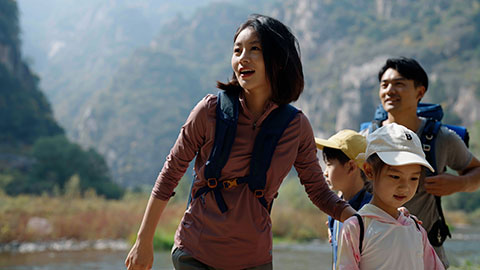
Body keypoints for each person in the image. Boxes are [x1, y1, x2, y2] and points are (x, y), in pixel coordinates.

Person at [125, 14, 356, 270]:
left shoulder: (296, 126)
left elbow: (318, 190)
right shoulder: (209, 111)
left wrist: (359, 219)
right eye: (237, 50)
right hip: (195, 253)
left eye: (254, 49)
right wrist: (143, 241)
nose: (242, 58)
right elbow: (170, 174)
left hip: (253, 261)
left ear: (278, 60)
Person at [360, 57, 480, 267]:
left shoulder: (442, 138)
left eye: (399, 84)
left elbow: (476, 171)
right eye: (384, 85)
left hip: (426, 256)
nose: (389, 90)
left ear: (420, 92)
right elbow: (343, 184)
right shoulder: (366, 138)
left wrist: (459, 184)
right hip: (375, 253)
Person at [337, 123, 445, 270]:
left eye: (414, 178)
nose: (405, 187)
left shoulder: (416, 229)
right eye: (395, 176)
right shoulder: (356, 229)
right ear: (369, 171)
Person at [315, 130, 372, 270]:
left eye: (329, 164)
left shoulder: (371, 210)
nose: (325, 172)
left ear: (351, 166)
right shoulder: (335, 207)